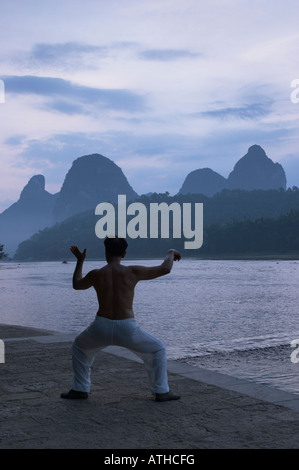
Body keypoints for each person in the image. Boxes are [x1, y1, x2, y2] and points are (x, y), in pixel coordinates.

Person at [61, 237, 182, 402]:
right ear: (124, 254)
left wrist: (80, 260)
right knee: (158, 349)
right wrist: (170, 253)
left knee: (80, 347)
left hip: (101, 326)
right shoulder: (132, 272)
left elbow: (77, 284)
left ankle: (80, 389)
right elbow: (165, 268)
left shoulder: (96, 274)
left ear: (106, 252)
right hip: (127, 327)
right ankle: (161, 391)